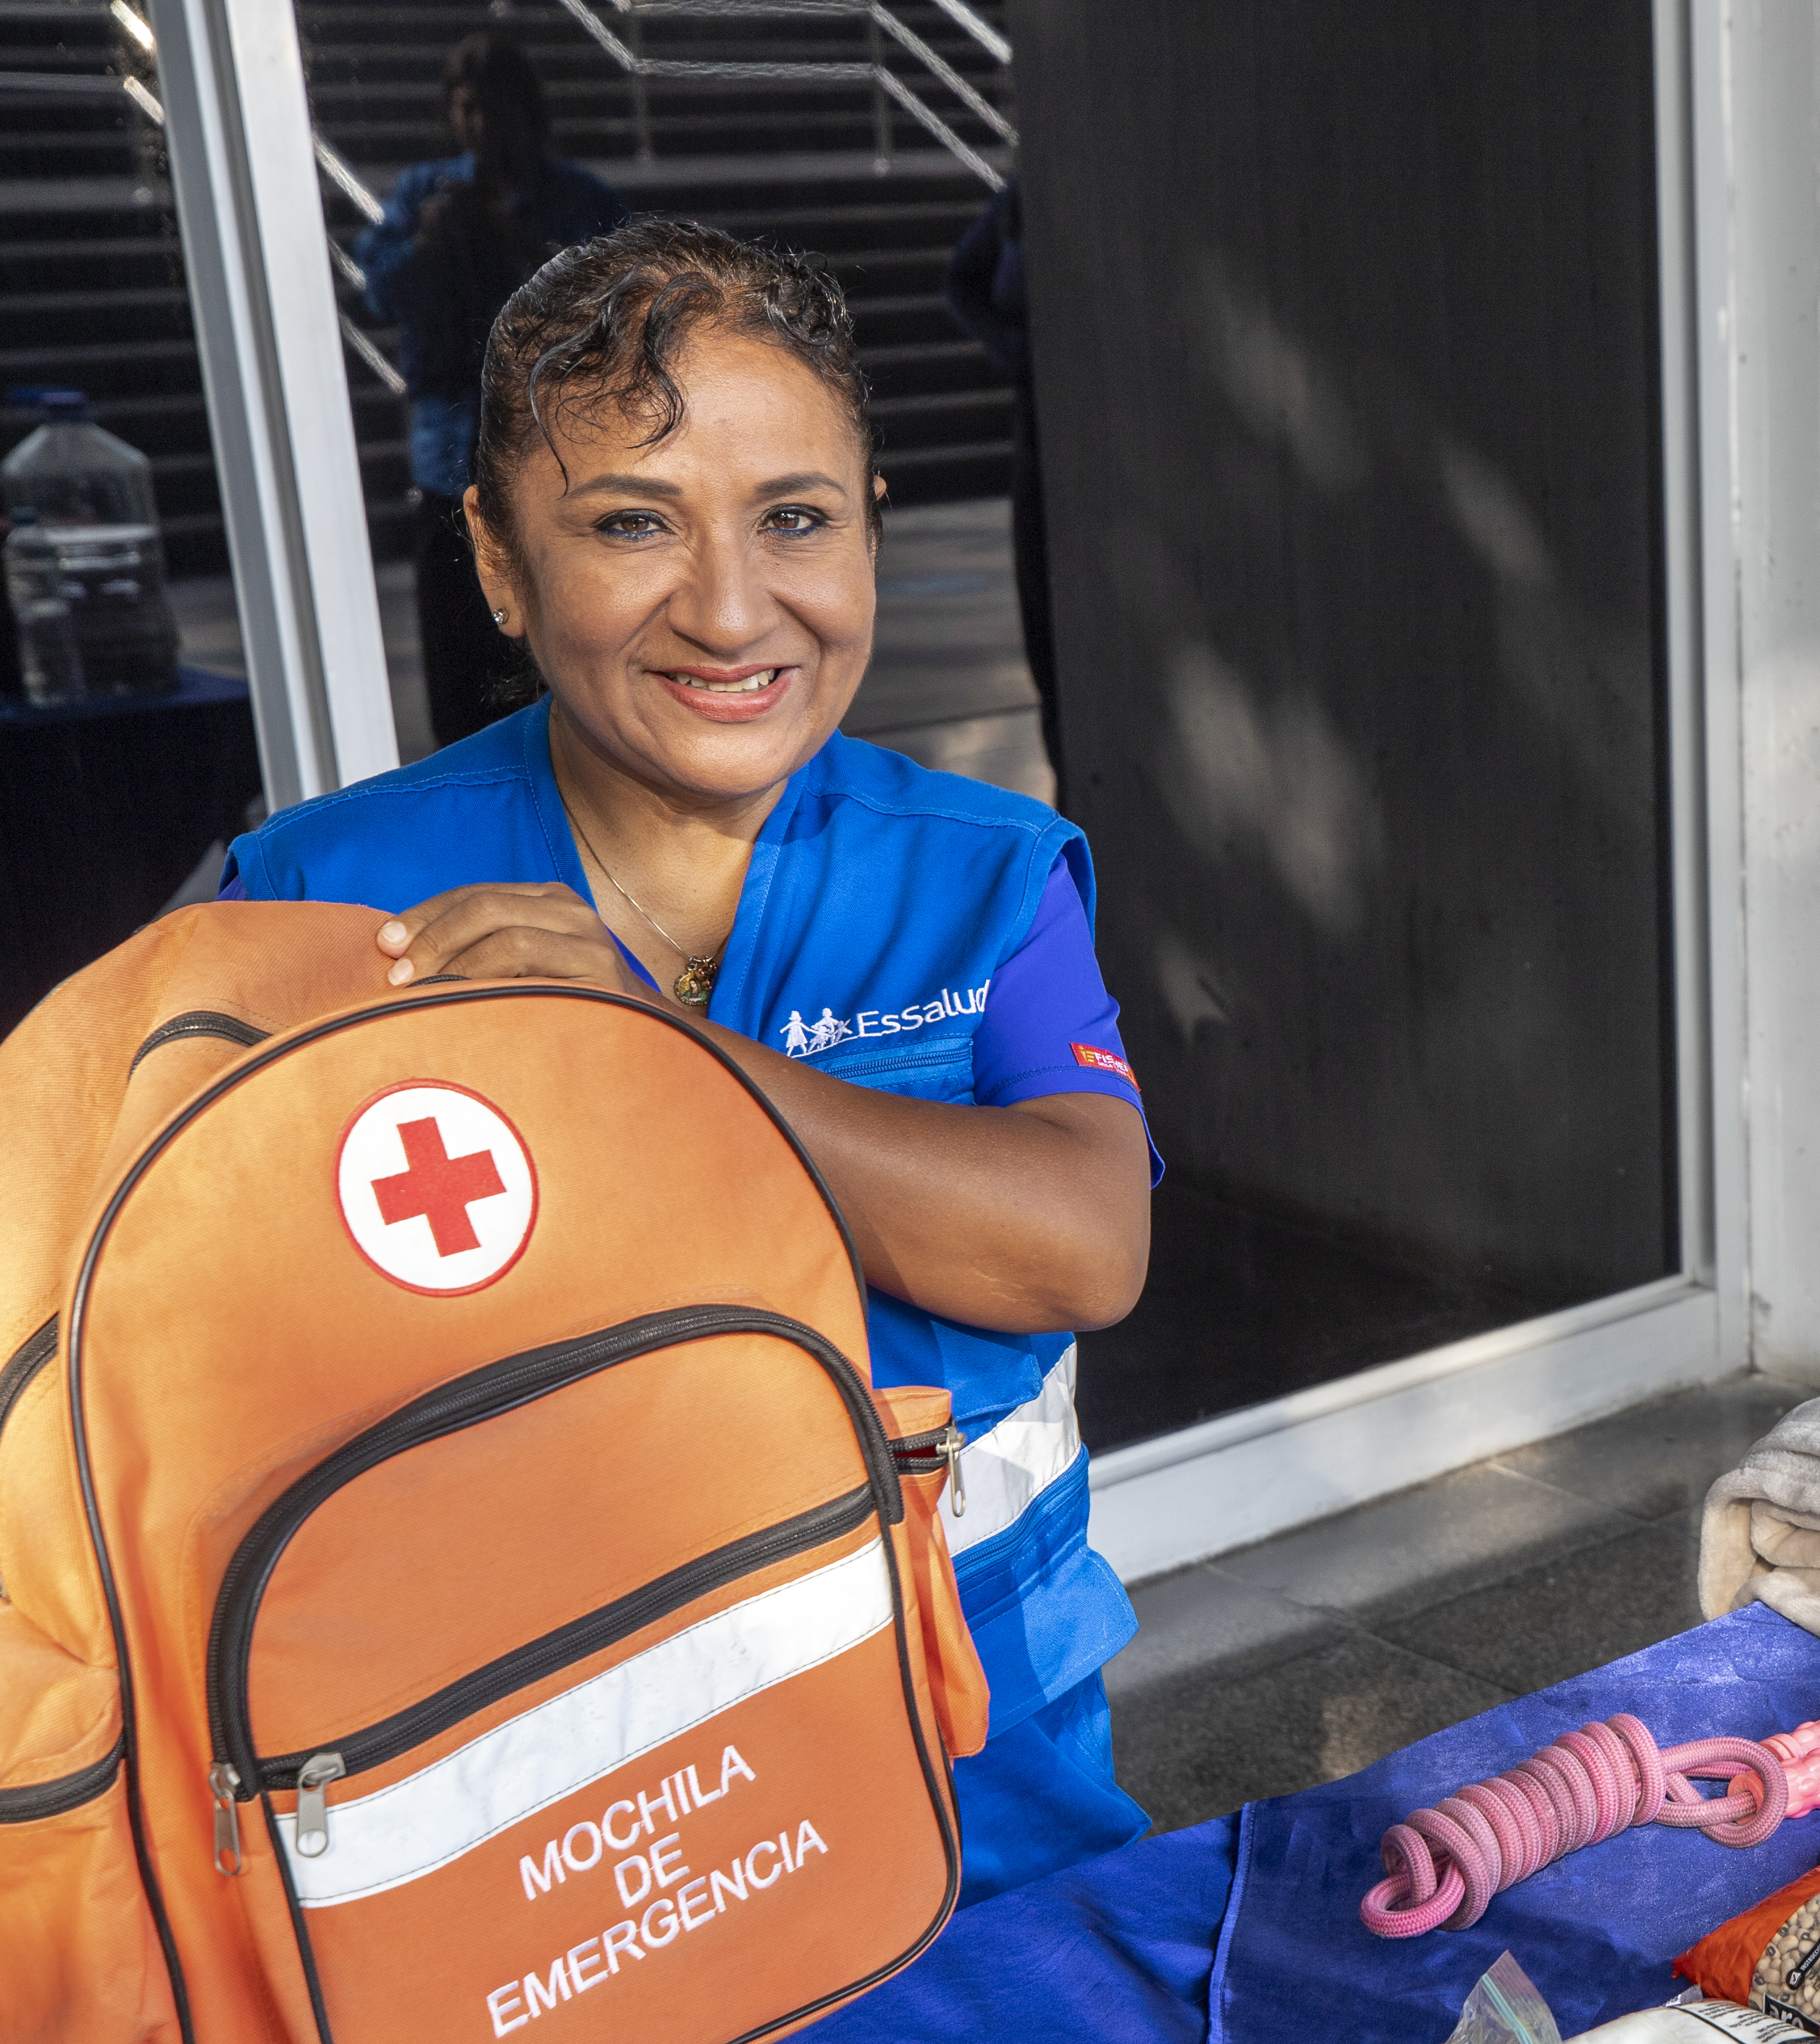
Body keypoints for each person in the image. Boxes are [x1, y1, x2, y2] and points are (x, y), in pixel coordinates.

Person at [225, 219, 1161, 1898]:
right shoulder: (315, 898)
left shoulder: (984, 866)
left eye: (794, 518)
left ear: (867, 525)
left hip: (978, 1778)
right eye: (629, 525)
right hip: (556, 1818)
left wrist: (651, 1055)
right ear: (500, 563)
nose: (733, 611)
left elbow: (1083, 1247)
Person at [356, 32, 624, 748]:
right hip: (450, 460)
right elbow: (381, 291)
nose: (479, 124)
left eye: (493, 108)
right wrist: (430, 243)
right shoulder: (424, 194)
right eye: (465, 108)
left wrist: (512, 238)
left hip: (554, 455)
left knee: (551, 654)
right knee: (456, 656)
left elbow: (615, 300)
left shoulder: (576, 198)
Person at [942, 177, 1062, 810]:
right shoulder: (1022, 198)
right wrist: (1018, 351)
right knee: (1047, 620)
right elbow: (964, 281)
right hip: (1039, 423)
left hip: (1087, 428)